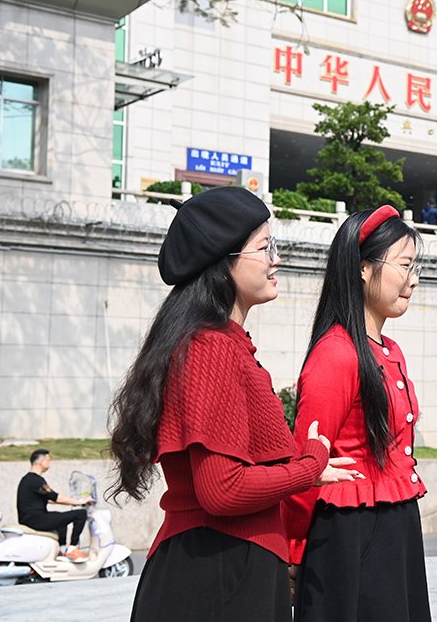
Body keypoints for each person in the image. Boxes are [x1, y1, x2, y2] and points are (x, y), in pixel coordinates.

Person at [107, 187, 359, 622]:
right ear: (223, 263)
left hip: (227, 566)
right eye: (265, 247)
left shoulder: (222, 344)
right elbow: (221, 491)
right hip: (217, 572)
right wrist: (309, 467)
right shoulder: (211, 349)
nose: (276, 258)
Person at [283, 205, 431, 622]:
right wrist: (294, 550)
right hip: (350, 535)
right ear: (364, 268)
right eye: (404, 266)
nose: (413, 279)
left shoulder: (389, 351)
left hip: (396, 526)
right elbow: (305, 466)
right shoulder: (335, 354)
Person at [16, 448, 94, 563]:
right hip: (36, 519)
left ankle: (61, 551)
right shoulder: (36, 480)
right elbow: (56, 497)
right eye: (48, 460)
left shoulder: (28, 479)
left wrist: (73, 501)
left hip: (31, 518)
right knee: (80, 514)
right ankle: (73, 549)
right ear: (41, 462)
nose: (49, 463)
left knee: (60, 519)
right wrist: (81, 502)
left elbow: (50, 499)